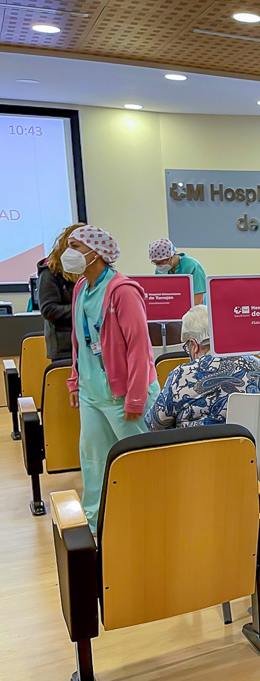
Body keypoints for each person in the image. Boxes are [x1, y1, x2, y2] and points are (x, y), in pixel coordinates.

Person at [65, 225, 159, 532]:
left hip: (125, 396)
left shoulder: (123, 291)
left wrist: (135, 397)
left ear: (96, 254)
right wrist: (75, 380)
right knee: (93, 462)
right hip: (93, 395)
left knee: (142, 461)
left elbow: (140, 349)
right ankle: (97, 526)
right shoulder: (81, 288)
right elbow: (78, 340)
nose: (70, 253)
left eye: (76, 247)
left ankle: (154, 520)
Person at [146, 304, 260, 430]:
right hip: (249, 447)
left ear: (194, 344)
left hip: (194, 448)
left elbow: (154, 424)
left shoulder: (181, 375)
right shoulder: (259, 366)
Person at [37, 223, 83, 360]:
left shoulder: (88, 271)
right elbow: (49, 310)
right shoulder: (50, 272)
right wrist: (85, 309)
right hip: (65, 348)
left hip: (90, 345)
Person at [148, 238, 207, 304]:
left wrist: (189, 313)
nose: (160, 266)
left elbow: (198, 298)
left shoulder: (192, 266)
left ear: (171, 255)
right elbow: (162, 295)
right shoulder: (160, 271)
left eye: (161, 262)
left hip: (195, 310)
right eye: (156, 263)